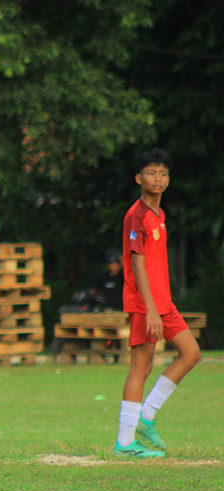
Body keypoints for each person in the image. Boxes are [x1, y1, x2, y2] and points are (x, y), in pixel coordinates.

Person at [113, 149, 200, 458]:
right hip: (144, 304)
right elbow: (137, 264)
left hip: (164, 303)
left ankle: (146, 417)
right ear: (139, 179)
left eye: (163, 174)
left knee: (191, 354)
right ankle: (124, 443)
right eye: (151, 173)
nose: (158, 179)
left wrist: (160, 306)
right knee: (142, 366)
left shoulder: (159, 215)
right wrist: (150, 309)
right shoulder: (136, 215)